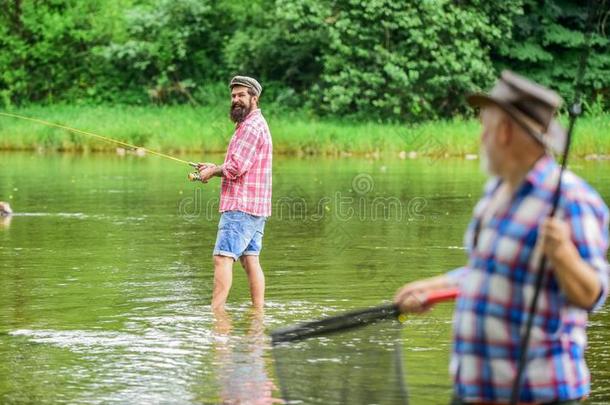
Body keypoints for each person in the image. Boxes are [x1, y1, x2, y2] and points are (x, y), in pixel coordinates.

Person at [394, 71, 609, 404]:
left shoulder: (572, 200)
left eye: (485, 128)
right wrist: (433, 287)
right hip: (475, 391)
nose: (481, 139)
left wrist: (562, 253)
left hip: (539, 395)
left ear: (506, 131)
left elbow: (593, 295)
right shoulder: (497, 191)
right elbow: (489, 271)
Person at [197, 76, 272, 311]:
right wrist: (213, 167)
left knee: (222, 257)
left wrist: (213, 171)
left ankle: (216, 313)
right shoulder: (251, 124)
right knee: (250, 260)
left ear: (254, 98)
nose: (236, 100)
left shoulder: (250, 127)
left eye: (241, 95)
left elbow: (236, 167)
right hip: (255, 207)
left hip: (241, 205)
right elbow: (237, 163)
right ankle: (258, 313)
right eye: (233, 96)